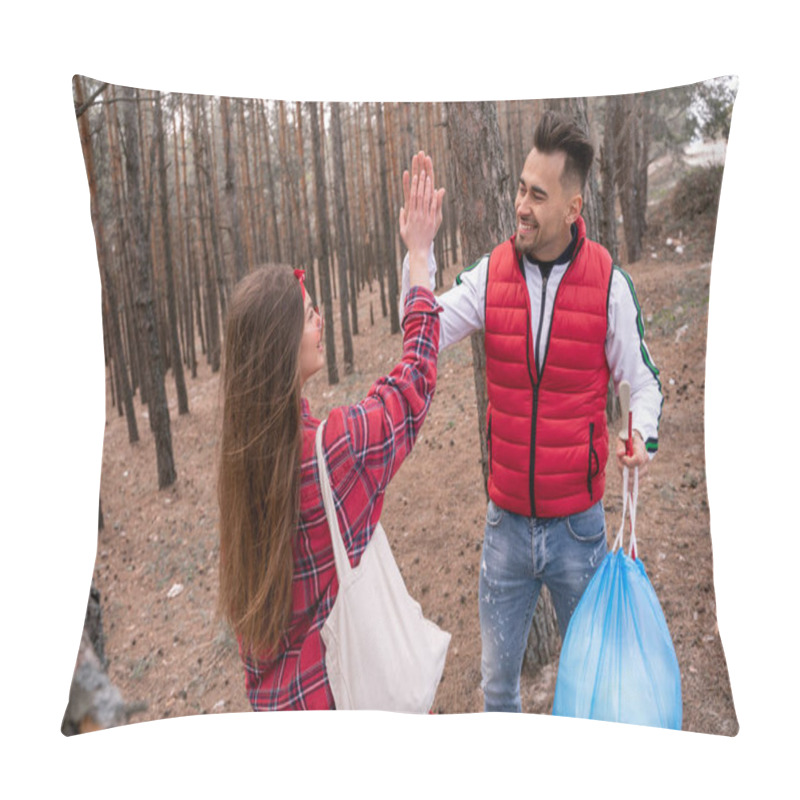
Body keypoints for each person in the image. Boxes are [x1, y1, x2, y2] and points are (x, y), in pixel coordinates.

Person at [400, 111, 663, 712]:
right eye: (520, 187)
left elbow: (643, 382)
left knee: (595, 687)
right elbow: (422, 330)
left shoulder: (608, 285)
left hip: (580, 531)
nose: (521, 204)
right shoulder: (491, 274)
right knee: (498, 689)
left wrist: (641, 435)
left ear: (573, 207)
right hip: (506, 532)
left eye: (537, 195)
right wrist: (419, 255)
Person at [217, 156, 445, 710]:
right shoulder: (333, 450)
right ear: (279, 346)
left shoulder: (239, 463)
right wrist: (419, 258)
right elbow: (413, 382)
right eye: (308, 313)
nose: (319, 320)